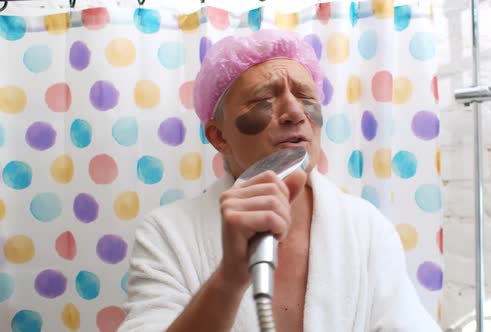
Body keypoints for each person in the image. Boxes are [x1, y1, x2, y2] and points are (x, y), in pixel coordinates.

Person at [119, 29, 440, 332]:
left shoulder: (366, 228)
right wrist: (230, 279)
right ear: (219, 136)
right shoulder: (167, 233)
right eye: (262, 100)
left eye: (305, 96)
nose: (294, 113)